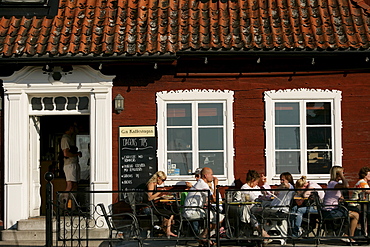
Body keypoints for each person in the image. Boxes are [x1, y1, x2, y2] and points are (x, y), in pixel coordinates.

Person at [183, 167, 225, 246]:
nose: (213, 177)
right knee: (218, 217)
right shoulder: (202, 185)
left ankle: (203, 236)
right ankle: (203, 236)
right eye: (211, 174)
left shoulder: (201, 183)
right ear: (205, 175)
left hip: (194, 209)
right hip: (191, 211)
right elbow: (214, 199)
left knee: (217, 216)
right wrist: (216, 184)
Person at [322, 166, 359, 243]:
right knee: (356, 215)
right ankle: (349, 236)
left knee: (354, 211)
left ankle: (347, 234)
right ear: (337, 174)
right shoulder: (333, 183)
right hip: (330, 211)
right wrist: (342, 176)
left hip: (332, 208)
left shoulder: (333, 184)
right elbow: (346, 186)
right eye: (342, 173)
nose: (343, 175)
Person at [234, 170, 271, 243]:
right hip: (250, 208)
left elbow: (264, 194)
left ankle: (263, 233)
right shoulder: (245, 187)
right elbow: (252, 197)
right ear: (252, 180)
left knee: (257, 214)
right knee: (253, 216)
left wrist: (265, 183)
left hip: (258, 207)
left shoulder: (256, 187)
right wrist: (260, 197)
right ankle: (264, 234)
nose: (257, 183)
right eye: (256, 181)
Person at [146, 171, 177, 237]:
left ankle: (166, 230)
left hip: (151, 206)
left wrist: (161, 197)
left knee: (169, 213)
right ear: (158, 178)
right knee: (169, 213)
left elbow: (152, 198)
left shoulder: (154, 185)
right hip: (147, 208)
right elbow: (149, 198)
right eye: (162, 180)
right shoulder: (151, 184)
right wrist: (159, 192)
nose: (163, 182)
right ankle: (166, 230)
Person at [61, 122, 82, 192]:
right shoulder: (65, 139)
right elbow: (66, 153)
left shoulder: (70, 138)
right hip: (70, 164)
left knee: (75, 185)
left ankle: (72, 202)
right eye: (73, 127)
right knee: (70, 185)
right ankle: (63, 202)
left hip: (74, 163)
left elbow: (77, 132)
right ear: (70, 128)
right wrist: (76, 154)